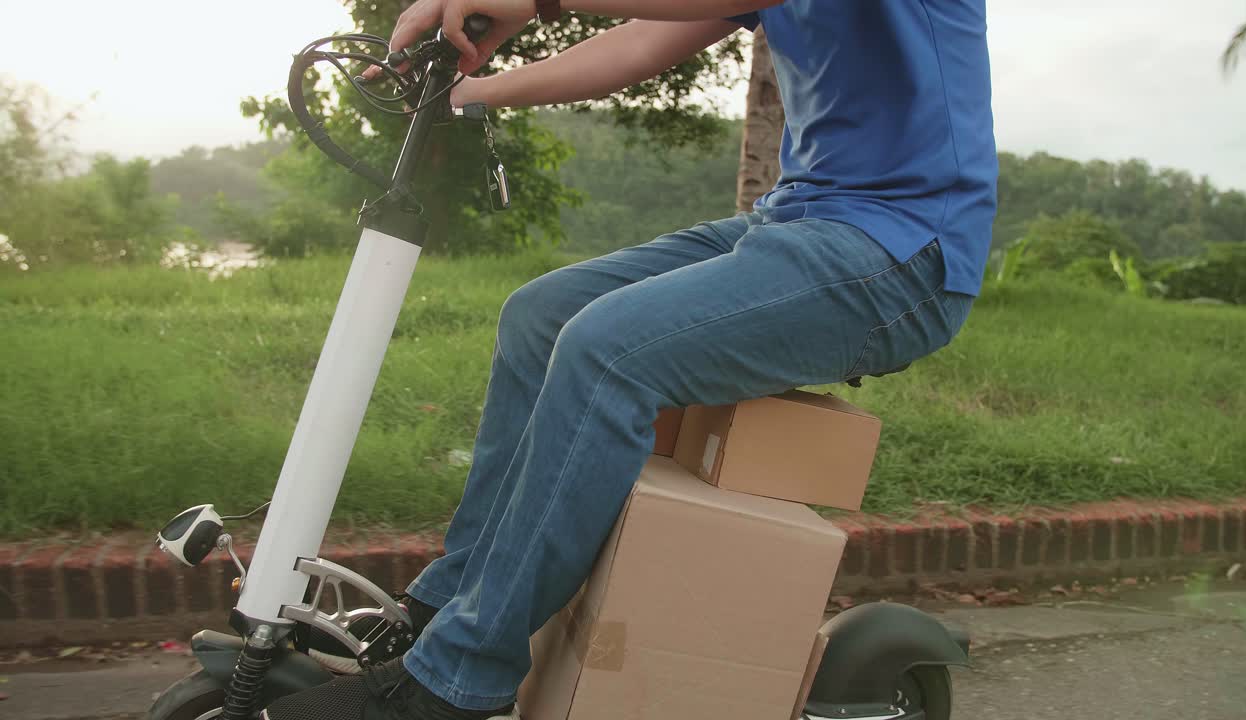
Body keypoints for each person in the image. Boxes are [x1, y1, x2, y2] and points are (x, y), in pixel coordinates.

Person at [262, 0, 997, 719]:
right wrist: (470, 92)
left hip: (903, 254)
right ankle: (446, 607)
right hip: (796, 220)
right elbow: (639, 44)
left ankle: (457, 679)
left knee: (608, 352)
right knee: (541, 316)